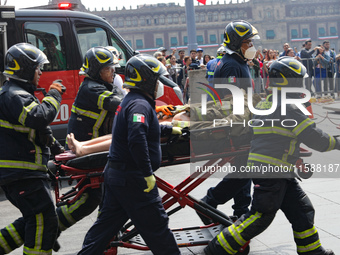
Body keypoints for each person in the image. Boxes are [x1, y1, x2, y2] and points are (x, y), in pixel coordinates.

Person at [205, 57, 336, 255]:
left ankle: (312, 251)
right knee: (260, 216)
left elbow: (276, 137)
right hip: (272, 172)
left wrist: (294, 158)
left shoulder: (267, 104)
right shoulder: (290, 108)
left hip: (277, 170)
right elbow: (318, 140)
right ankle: (215, 250)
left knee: (302, 210)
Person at [78, 54, 182, 255]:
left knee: (104, 229)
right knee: (157, 228)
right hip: (133, 178)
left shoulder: (133, 101)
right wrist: (147, 173)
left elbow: (141, 129)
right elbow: (136, 137)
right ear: (148, 79)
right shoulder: (140, 105)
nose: (160, 84)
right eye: (158, 80)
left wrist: (168, 129)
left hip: (119, 176)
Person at [0, 43, 66, 254]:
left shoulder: (18, 94)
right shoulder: (14, 95)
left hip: (24, 173)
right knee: (43, 220)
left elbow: (38, 132)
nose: (41, 72)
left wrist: (60, 152)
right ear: (27, 69)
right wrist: (54, 95)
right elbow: (38, 117)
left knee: (37, 219)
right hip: (21, 174)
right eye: (38, 68)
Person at [57, 46, 123, 243]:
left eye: (113, 68)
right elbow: (117, 103)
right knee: (90, 199)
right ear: (96, 71)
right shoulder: (91, 89)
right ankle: (52, 225)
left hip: (94, 149)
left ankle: (109, 230)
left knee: (106, 193)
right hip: (86, 152)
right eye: (108, 68)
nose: (113, 72)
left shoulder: (98, 85)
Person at [199, 20, 260, 222]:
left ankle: (241, 210)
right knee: (243, 170)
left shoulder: (237, 62)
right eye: (247, 42)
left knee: (243, 168)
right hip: (236, 127)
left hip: (242, 124)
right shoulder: (231, 66)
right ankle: (209, 202)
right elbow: (233, 101)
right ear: (236, 43)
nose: (251, 46)